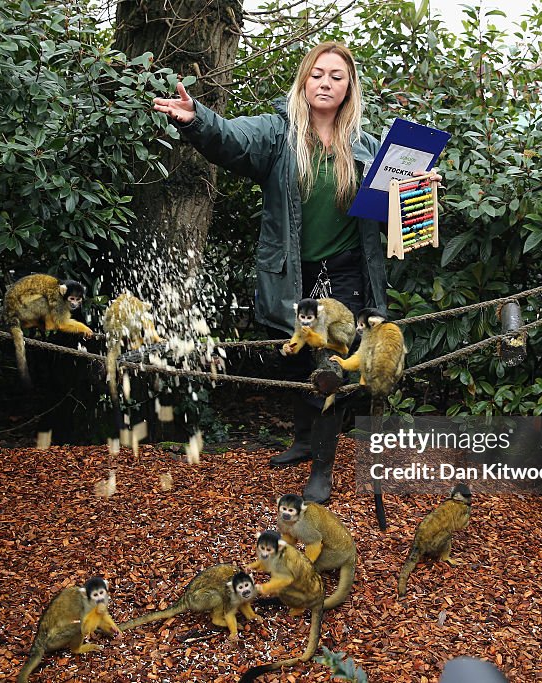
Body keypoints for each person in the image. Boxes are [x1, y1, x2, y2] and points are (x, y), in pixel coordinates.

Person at [154, 41, 439, 503]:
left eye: (337, 76)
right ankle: (304, 441)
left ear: (349, 88)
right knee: (293, 361)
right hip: (291, 274)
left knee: (329, 370)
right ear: (304, 80)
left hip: (345, 276)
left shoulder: (368, 149)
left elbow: (395, 216)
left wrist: (419, 189)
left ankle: (323, 469)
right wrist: (198, 120)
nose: (326, 83)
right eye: (317, 74)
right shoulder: (276, 134)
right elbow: (231, 138)